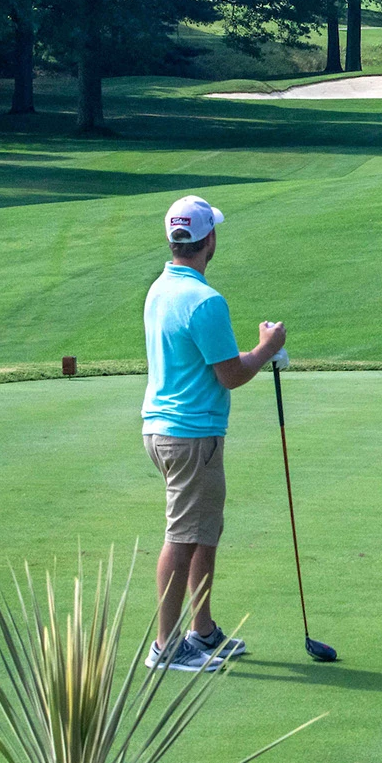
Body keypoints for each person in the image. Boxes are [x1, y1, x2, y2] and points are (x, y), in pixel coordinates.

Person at [141, 195, 286, 671]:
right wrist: (267, 348)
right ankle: (165, 646)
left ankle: (200, 630)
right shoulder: (204, 300)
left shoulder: (160, 288)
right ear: (210, 240)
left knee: (204, 530)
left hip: (167, 429)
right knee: (183, 536)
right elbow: (231, 374)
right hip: (190, 435)